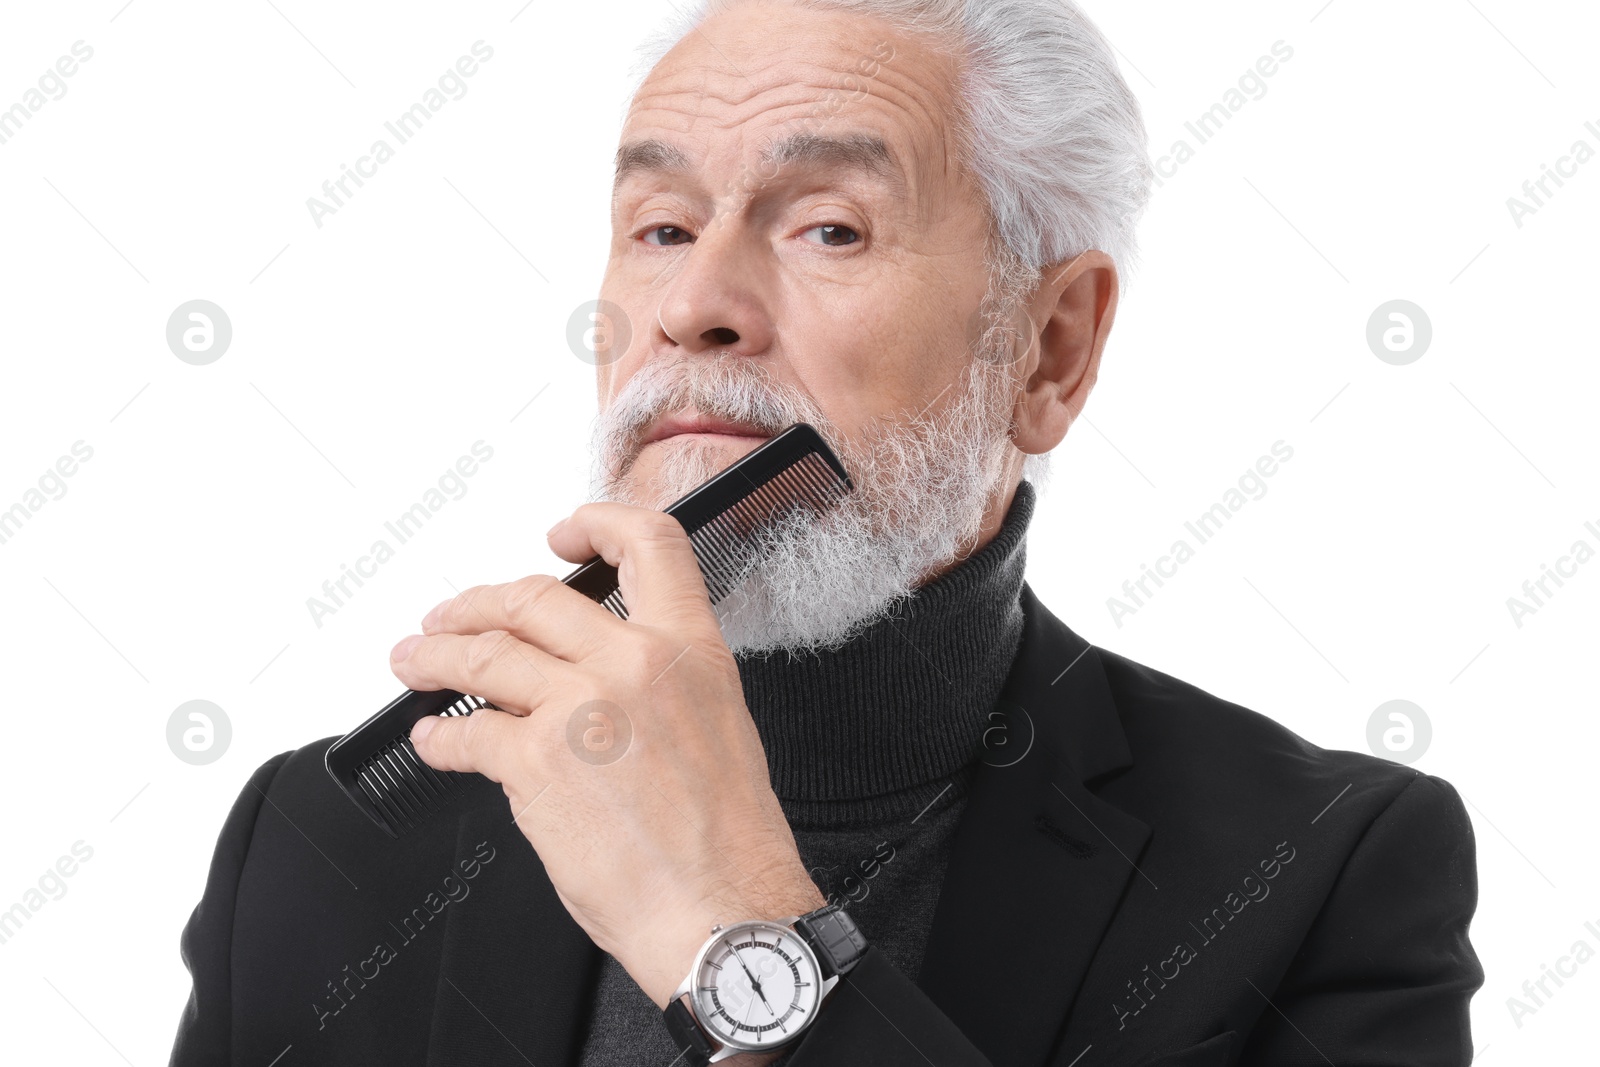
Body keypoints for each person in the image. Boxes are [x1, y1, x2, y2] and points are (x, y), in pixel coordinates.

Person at [168, 1, 1482, 1064]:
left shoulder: (1319, 882)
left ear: (1049, 350)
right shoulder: (326, 841)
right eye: (663, 227)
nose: (696, 303)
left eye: (829, 228)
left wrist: (733, 930)